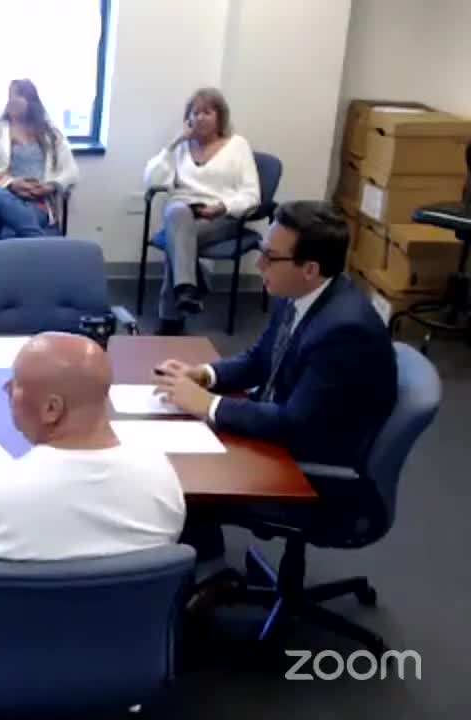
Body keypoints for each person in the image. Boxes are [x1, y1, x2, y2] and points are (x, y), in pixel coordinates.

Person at [154, 201, 397, 600]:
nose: (259, 264)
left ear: (309, 269)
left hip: (318, 474)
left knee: (180, 476)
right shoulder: (300, 294)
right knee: (181, 451)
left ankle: (208, 577)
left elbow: (296, 425)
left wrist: (209, 405)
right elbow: (259, 359)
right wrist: (206, 375)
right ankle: (210, 568)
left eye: (270, 256)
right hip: (291, 433)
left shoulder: (344, 331)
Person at [0, 332, 186, 595]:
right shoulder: (162, 476)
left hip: (16, 622)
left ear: (52, 409)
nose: (6, 390)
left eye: (15, 385)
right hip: (128, 620)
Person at [144, 87, 259, 334]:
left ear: (220, 116)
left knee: (176, 241)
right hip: (183, 213)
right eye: (195, 113)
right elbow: (152, 181)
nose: (200, 118)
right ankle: (188, 288)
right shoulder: (181, 148)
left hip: (221, 217)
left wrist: (223, 207)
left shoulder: (238, 146)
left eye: (207, 112)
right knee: (177, 213)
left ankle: (172, 316)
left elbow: (252, 195)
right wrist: (173, 144)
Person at [0, 79, 79, 243]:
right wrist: (11, 183)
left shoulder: (51, 134)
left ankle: (25, 246)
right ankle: (42, 243)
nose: (12, 100)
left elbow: (71, 171)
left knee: (11, 230)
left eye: (18, 95)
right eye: (10, 96)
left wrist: (50, 186)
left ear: (32, 101)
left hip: (35, 201)